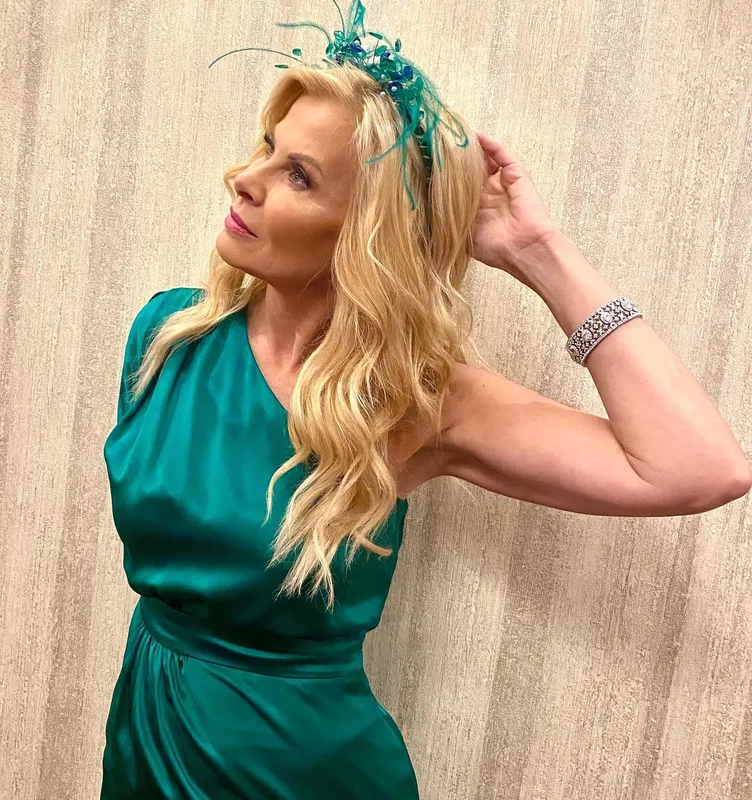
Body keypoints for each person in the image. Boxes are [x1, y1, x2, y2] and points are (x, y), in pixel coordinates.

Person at [100, 3, 751, 798]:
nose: (246, 178)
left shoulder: (413, 403)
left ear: (364, 233)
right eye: (267, 148)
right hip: (146, 732)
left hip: (298, 773)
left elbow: (698, 468)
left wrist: (540, 253)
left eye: (298, 175)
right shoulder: (168, 336)